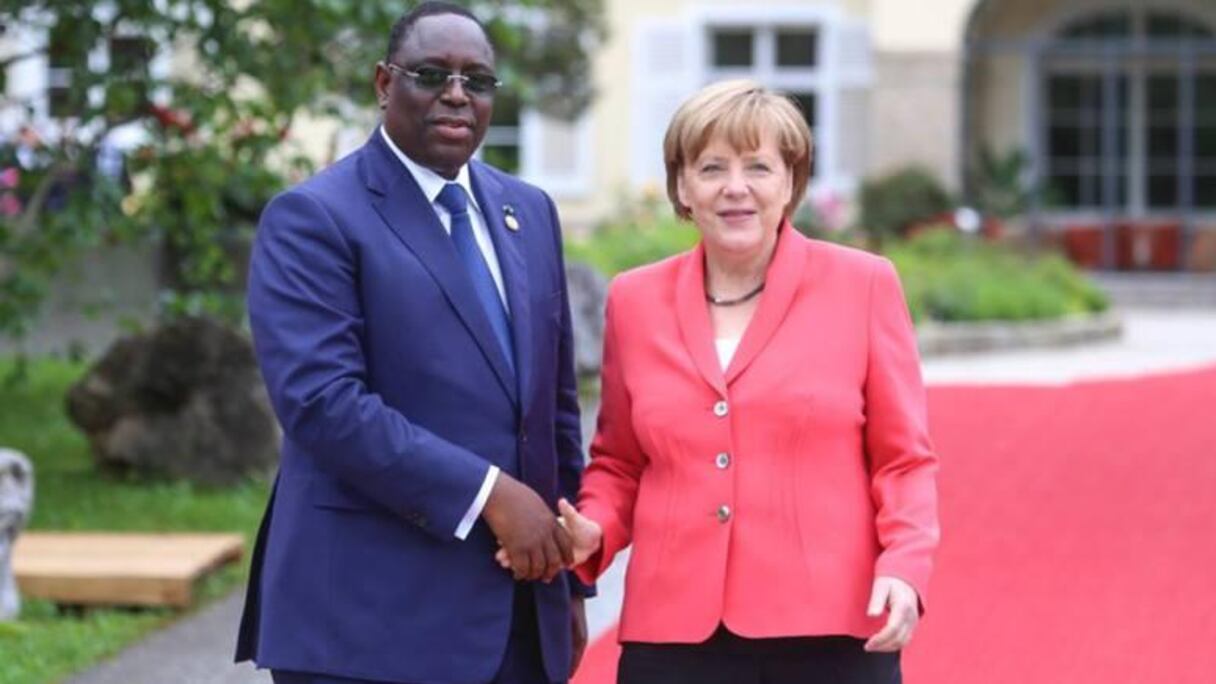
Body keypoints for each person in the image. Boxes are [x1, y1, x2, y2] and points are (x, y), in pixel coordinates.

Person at [506, 79, 940, 683]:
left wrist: (905, 564)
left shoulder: (863, 285)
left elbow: (903, 460)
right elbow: (620, 462)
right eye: (712, 168)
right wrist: (594, 528)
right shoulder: (634, 300)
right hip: (674, 633)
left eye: (758, 167)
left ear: (790, 181)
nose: (735, 187)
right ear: (683, 187)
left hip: (830, 629)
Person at [235, 3, 591, 683]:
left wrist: (569, 584)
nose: (457, 95)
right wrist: (491, 494)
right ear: (384, 83)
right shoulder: (314, 217)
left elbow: (555, 409)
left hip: (517, 615)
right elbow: (324, 404)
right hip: (367, 624)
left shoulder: (530, 211)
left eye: (476, 81)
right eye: (432, 74)